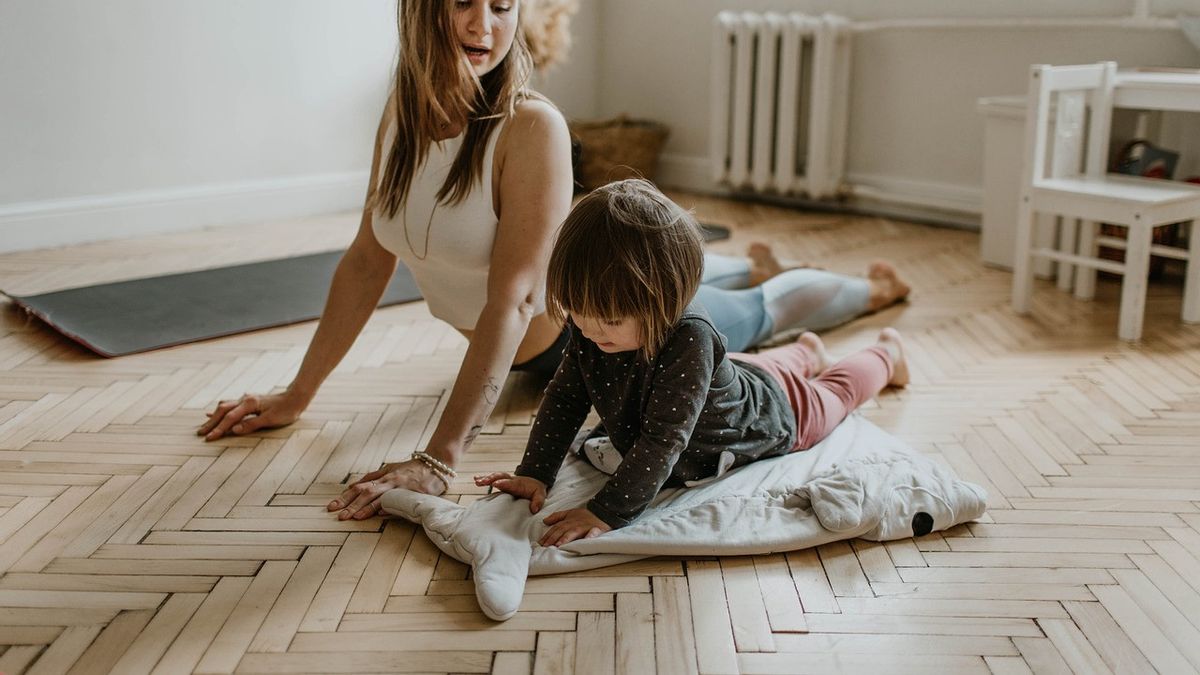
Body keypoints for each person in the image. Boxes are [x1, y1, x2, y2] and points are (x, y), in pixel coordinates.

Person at [196, 0, 910, 521]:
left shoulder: (530, 127)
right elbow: (363, 262)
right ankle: (745, 270)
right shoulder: (401, 117)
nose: (484, 25)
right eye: (463, 5)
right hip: (594, 312)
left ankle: (868, 292)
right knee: (725, 295)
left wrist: (441, 457)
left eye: (502, 6)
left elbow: (510, 303)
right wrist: (297, 395)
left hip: (589, 336)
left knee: (756, 313)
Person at [473, 180, 909, 546]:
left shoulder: (691, 338)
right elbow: (566, 397)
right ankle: (807, 351)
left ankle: (886, 354)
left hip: (774, 412)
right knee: (759, 368)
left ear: (665, 301)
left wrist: (606, 511)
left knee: (835, 392)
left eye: (608, 320)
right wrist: (535, 472)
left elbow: (664, 441)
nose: (587, 330)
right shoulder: (593, 328)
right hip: (734, 375)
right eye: (577, 314)